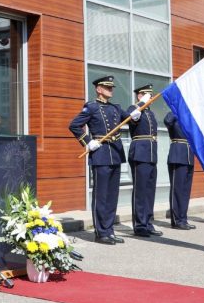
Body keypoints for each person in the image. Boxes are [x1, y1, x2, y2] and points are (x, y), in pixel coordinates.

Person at [69, 75, 140, 245]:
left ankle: (109, 230)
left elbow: (129, 116)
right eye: (107, 88)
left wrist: (137, 111)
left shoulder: (116, 108)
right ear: (98, 89)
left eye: (112, 88)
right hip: (100, 153)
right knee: (101, 195)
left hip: (115, 153)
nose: (111, 90)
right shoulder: (91, 107)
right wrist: (88, 142)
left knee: (112, 195)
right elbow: (73, 125)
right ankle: (101, 233)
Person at [127, 84, 162, 238]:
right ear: (140, 96)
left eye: (151, 95)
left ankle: (148, 222)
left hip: (151, 153)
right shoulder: (134, 109)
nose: (151, 98)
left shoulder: (150, 113)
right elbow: (131, 115)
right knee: (140, 191)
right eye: (147, 95)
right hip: (140, 153)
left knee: (149, 191)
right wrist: (141, 103)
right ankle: (140, 225)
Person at [164, 112, 196, 230]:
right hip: (177, 154)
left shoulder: (188, 118)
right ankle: (176, 220)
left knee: (185, 191)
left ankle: (183, 218)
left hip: (189, 156)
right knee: (177, 190)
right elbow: (167, 121)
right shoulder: (173, 115)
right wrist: (177, 108)